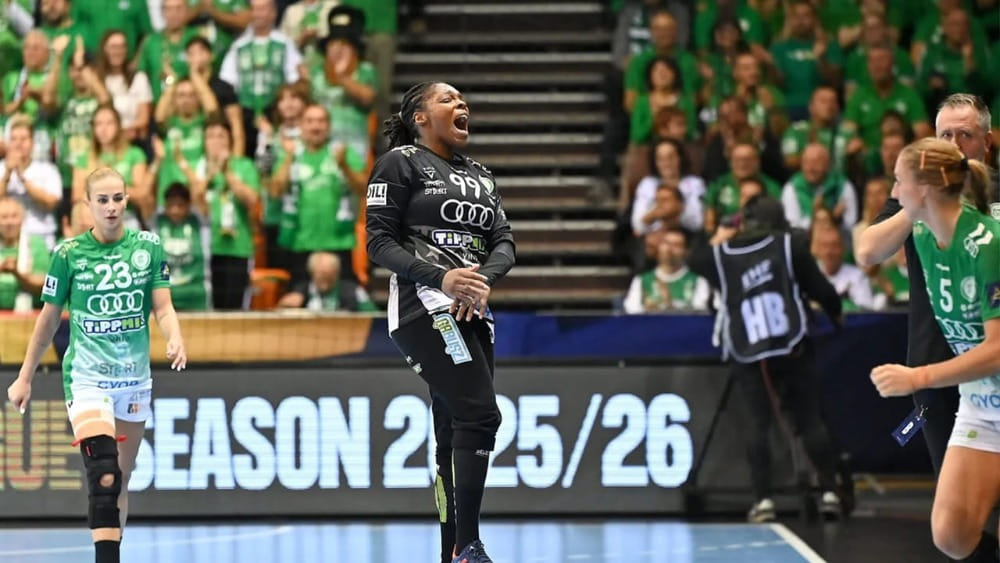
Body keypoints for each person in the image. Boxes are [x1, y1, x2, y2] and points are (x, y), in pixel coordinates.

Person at [366, 81, 516, 563]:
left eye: (463, 99)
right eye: (448, 99)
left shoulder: (480, 175)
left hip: (473, 310)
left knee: (453, 429)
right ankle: (469, 546)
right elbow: (378, 243)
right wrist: (443, 278)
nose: (461, 103)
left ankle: (451, 552)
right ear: (420, 117)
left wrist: (482, 280)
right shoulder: (400, 163)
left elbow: (504, 241)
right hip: (423, 306)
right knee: (481, 414)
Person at [6, 167, 187, 563]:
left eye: (117, 198)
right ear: (87, 204)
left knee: (120, 479)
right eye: (102, 200)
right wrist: (24, 377)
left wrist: (174, 336)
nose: (111, 207)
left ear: (127, 200)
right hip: (87, 379)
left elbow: (163, 307)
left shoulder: (148, 247)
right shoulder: (68, 254)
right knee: (103, 474)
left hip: (133, 380)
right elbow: (47, 321)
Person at [869, 137, 999, 562]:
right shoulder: (924, 238)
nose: (894, 191)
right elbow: (867, 250)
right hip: (982, 401)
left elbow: (998, 350)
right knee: (950, 534)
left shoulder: (990, 244)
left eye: (899, 181)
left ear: (923, 190)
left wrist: (918, 377)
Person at [857, 93, 997, 478]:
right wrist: (917, 202)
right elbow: (868, 251)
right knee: (953, 497)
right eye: (945, 136)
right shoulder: (914, 199)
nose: (954, 145)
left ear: (986, 142)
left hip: (991, 360)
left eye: (965, 135)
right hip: (935, 359)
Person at [688, 195, 847, 523]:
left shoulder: (723, 254)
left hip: (748, 351)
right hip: (790, 345)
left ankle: (763, 500)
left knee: (757, 425)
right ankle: (830, 492)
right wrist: (835, 314)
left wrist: (720, 233)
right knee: (810, 419)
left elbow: (694, 259)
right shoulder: (789, 246)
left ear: (744, 222)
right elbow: (821, 289)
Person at [623, 227, 710, 313]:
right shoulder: (641, 280)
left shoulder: (698, 281)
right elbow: (632, 310)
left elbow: (700, 311)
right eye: (666, 243)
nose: (669, 249)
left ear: (686, 251)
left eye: (676, 245)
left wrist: (669, 305)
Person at [154, 182, 211, 311]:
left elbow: (199, 192)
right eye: (170, 205)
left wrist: (183, 167)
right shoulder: (156, 221)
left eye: (180, 205)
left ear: (189, 205)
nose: (175, 210)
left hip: (196, 295)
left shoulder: (200, 222)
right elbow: (144, 197)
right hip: (165, 294)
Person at [276, 251, 375, 311]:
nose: (325, 280)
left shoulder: (354, 291)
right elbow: (280, 314)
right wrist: (284, 305)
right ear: (312, 273)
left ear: (337, 273)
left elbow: (373, 316)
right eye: (321, 274)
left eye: (329, 275)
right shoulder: (300, 291)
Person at [0, 196, 49, 311]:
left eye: (14, 216)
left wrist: (18, 274)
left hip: (30, 312)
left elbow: (46, 285)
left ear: (22, 219)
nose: (9, 222)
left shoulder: (36, 244)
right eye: (4, 217)